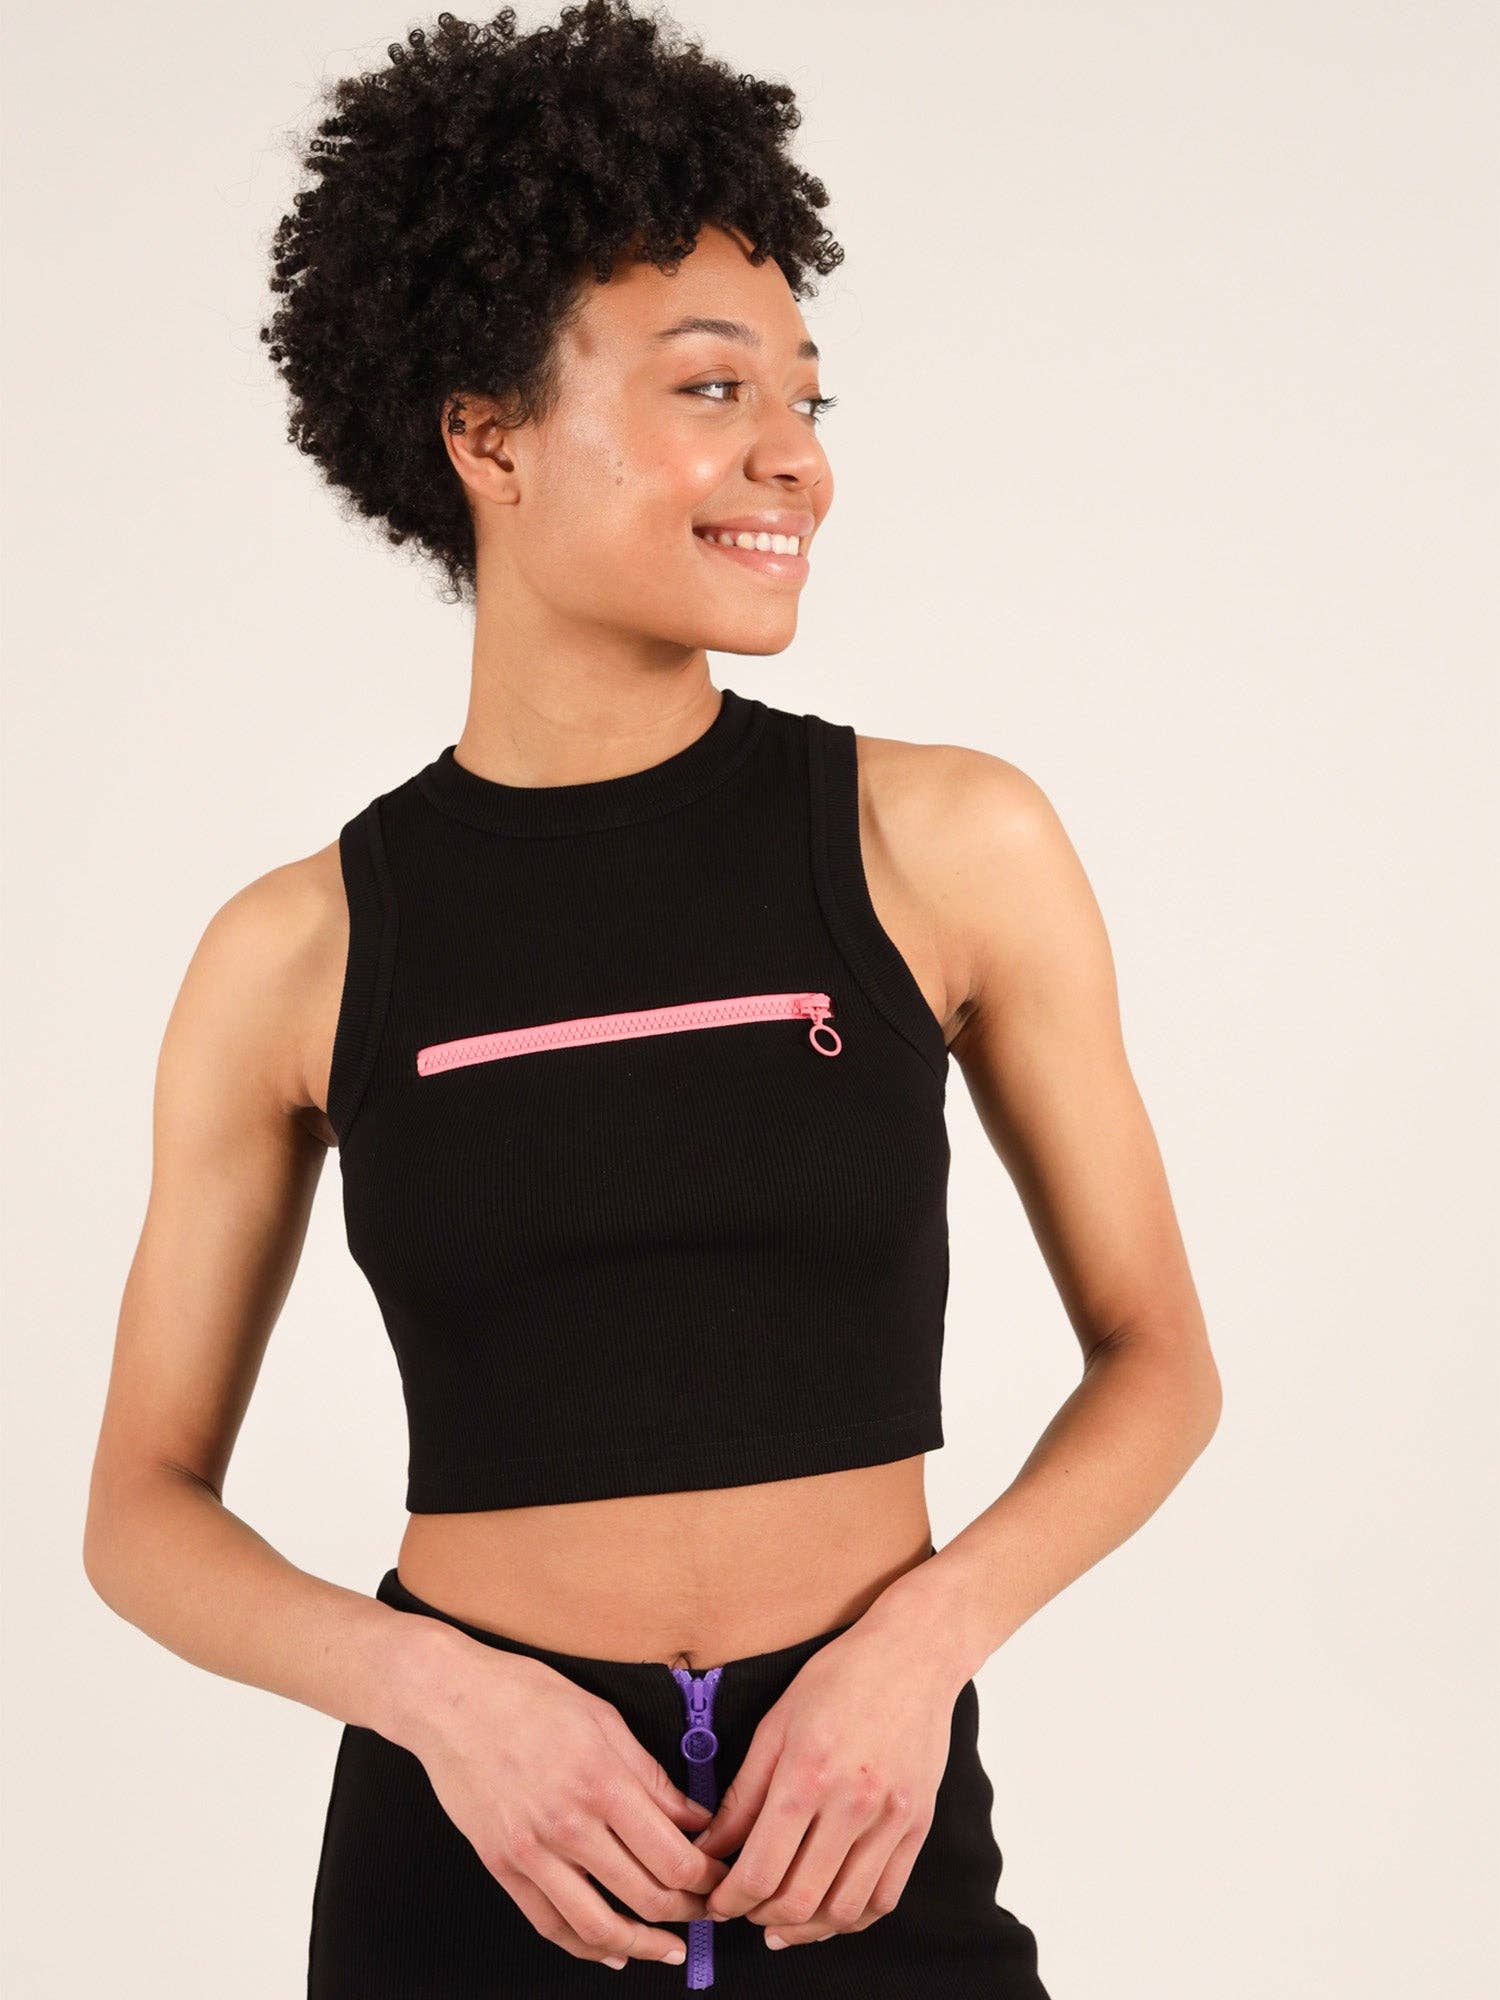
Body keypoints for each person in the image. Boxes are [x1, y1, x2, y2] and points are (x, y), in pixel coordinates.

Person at [82, 4, 1222, 1993]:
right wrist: (444, 1700)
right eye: (712, 388)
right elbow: (140, 1513)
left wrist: (919, 1650)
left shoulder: (946, 843)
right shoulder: (296, 949)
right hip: (480, 1857)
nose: (797, 458)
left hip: (861, 1829)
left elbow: (1160, 1361)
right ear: (488, 435)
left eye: (804, 396)